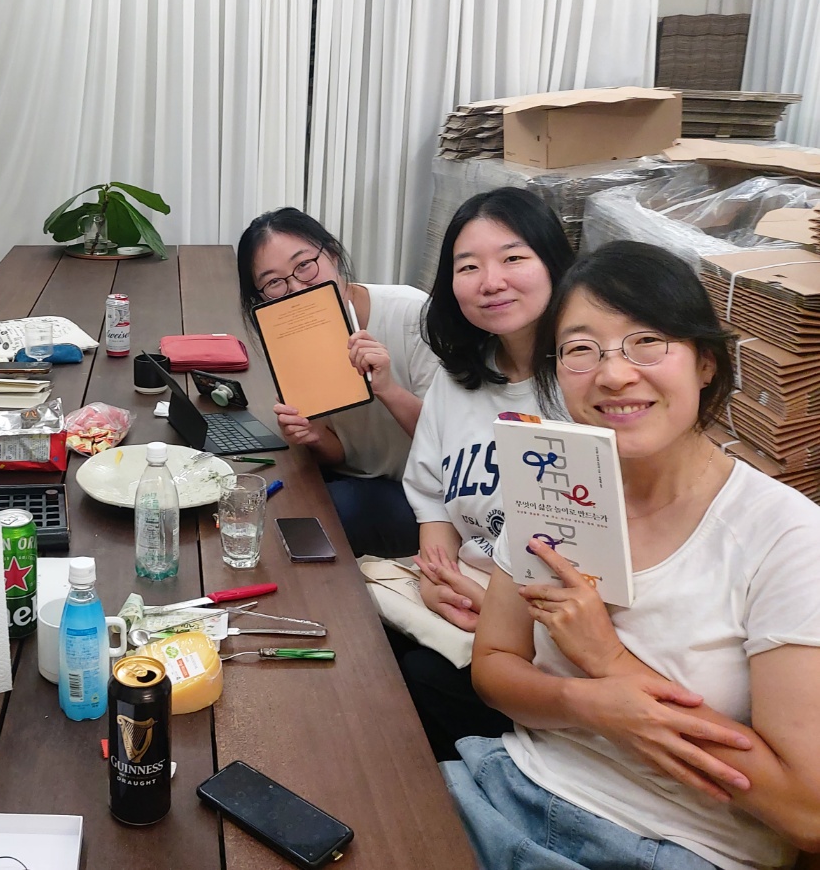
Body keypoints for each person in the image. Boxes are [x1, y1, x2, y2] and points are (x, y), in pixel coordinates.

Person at [449, 241, 820, 870]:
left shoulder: (786, 538)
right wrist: (588, 705)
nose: (614, 375)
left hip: (673, 848)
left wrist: (608, 660)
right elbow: (494, 666)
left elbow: (806, 812)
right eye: (581, 349)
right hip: (510, 784)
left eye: (647, 342)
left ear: (706, 363)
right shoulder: (552, 487)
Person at [398, 188, 575, 760]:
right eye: (468, 266)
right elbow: (431, 495)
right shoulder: (457, 379)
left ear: (554, 263)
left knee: (408, 682)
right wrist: (436, 576)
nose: (490, 281)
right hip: (462, 598)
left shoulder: (587, 388)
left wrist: (493, 606)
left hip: (545, 628)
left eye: (513, 257)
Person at [236, 208, 440, 558]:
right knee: (262, 497)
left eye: (304, 265)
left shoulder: (413, 313)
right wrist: (314, 436)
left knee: (304, 519)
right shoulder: (290, 335)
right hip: (352, 479)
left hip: (423, 498)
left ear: (331, 254)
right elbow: (344, 454)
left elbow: (449, 444)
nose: (296, 287)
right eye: (274, 283)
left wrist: (388, 389)